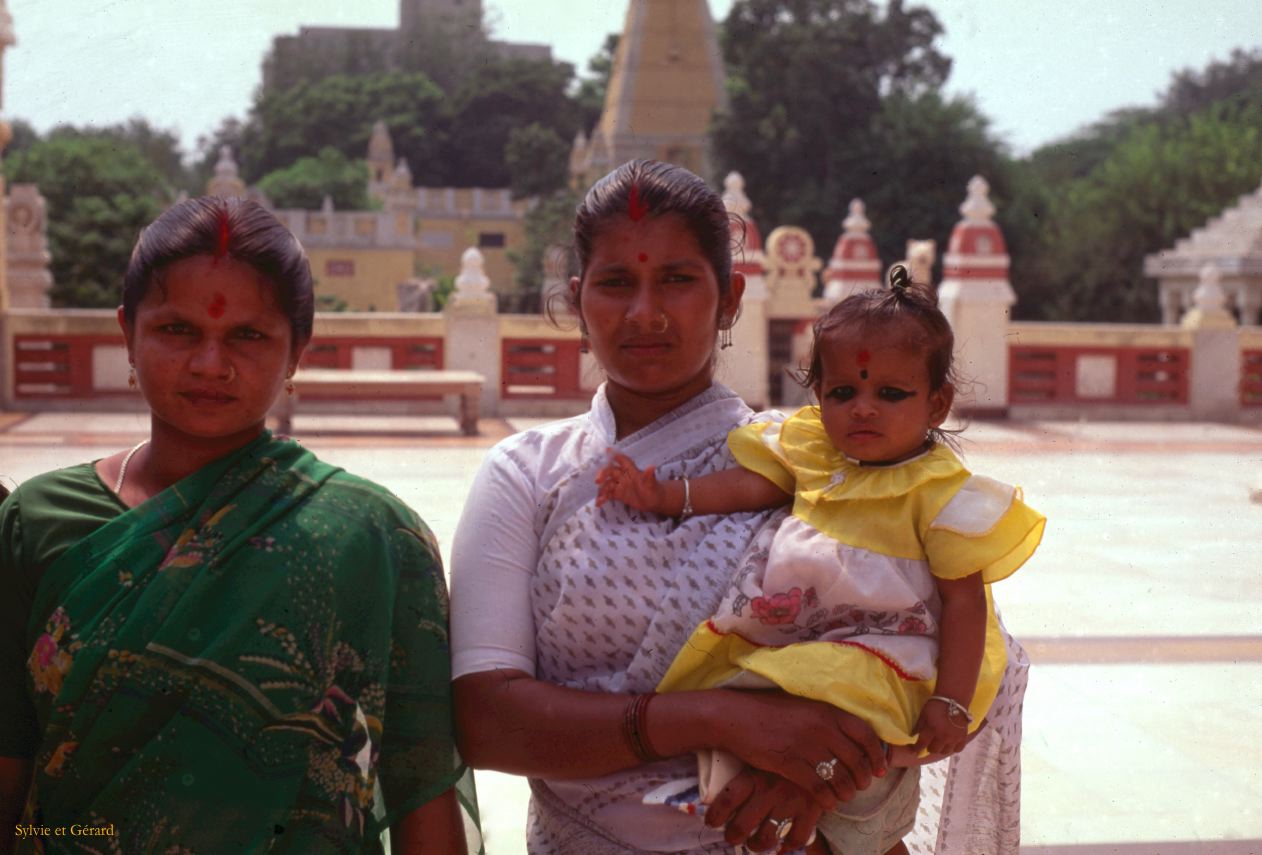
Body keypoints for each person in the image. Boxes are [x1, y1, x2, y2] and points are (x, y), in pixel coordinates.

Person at [450, 159, 1029, 855]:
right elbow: (486, 720)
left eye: (677, 280)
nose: (645, 313)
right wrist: (719, 720)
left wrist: (825, 769)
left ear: (729, 298)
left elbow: (950, 656)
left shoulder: (821, 463)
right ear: (578, 301)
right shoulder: (529, 475)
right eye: (615, 283)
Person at [0, 197, 477, 854]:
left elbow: (420, 785)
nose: (210, 364)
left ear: (297, 349)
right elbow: (10, 768)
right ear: (127, 333)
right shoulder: (39, 522)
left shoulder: (372, 537)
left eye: (248, 336)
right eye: (177, 330)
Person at [595, 264, 1045, 853]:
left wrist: (951, 702)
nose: (863, 409)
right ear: (818, 396)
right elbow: (745, 487)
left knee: (864, 830)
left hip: (882, 668)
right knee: (749, 768)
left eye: (890, 394)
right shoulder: (813, 455)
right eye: (842, 392)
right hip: (793, 654)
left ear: (937, 404)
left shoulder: (938, 493)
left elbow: (965, 603)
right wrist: (664, 495)